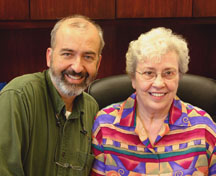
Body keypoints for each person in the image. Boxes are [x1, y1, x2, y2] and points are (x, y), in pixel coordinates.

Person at [91, 27, 216, 175]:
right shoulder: (105, 125)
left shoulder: (203, 128)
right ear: (133, 78)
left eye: (168, 73)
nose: (158, 83)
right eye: (149, 73)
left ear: (179, 77)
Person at [0, 14, 105, 176]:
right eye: (67, 54)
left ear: (98, 63)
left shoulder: (92, 108)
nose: (77, 67)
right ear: (49, 57)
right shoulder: (18, 97)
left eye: (88, 57)